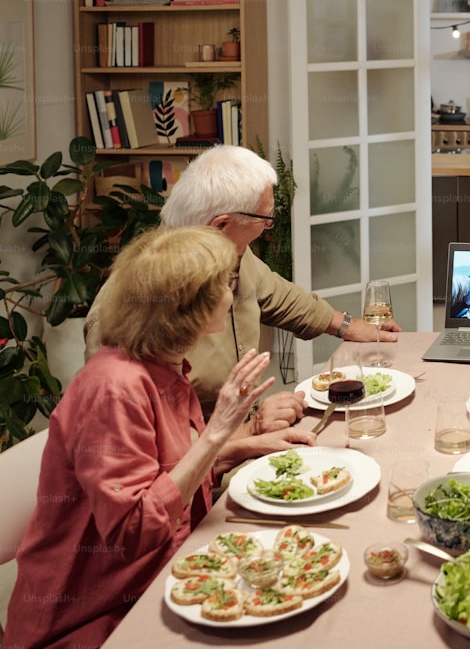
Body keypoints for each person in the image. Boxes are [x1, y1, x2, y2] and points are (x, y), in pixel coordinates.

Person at [5, 227, 278, 648]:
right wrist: (218, 431)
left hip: (165, 582)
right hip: (93, 620)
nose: (232, 293)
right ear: (191, 308)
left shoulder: (164, 369)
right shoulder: (115, 388)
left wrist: (245, 442)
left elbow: (171, 478)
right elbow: (134, 531)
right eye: (225, 284)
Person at [86, 145, 400, 455]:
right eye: (265, 219)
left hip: (235, 441)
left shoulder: (230, 252)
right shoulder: (129, 309)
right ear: (221, 226)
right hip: (200, 470)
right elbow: (146, 455)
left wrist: (347, 326)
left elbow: (278, 294)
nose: (268, 228)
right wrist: (248, 432)